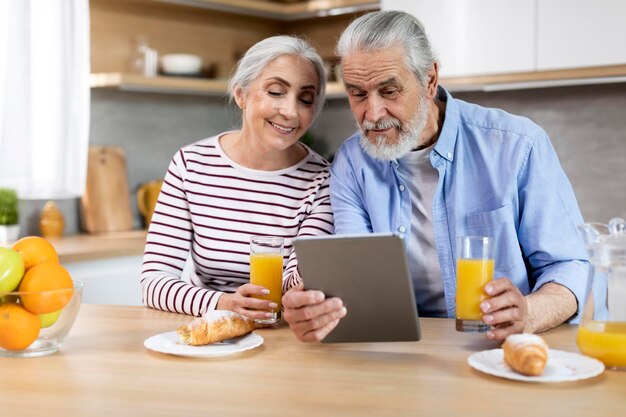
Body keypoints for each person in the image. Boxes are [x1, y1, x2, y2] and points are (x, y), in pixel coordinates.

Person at [283, 11, 589, 342]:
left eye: (389, 91)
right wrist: (317, 310)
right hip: (401, 351)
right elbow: (356, 286)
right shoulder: (352, 162)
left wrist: (530, 312)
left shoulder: (517, 145)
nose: (371, 114)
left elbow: (571, 266)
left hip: (499, 347)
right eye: (358, 94)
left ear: (430, 80)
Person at [141, 36, 334, 320]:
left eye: (305, 99)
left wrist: (311, 276)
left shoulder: (321, 180)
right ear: (241, 95)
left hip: (281, 333)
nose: (291, 112)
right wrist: (224, 303)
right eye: (276, 92)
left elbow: (295, 282)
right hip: (210, 331)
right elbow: (153, 282)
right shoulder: (191, 165)